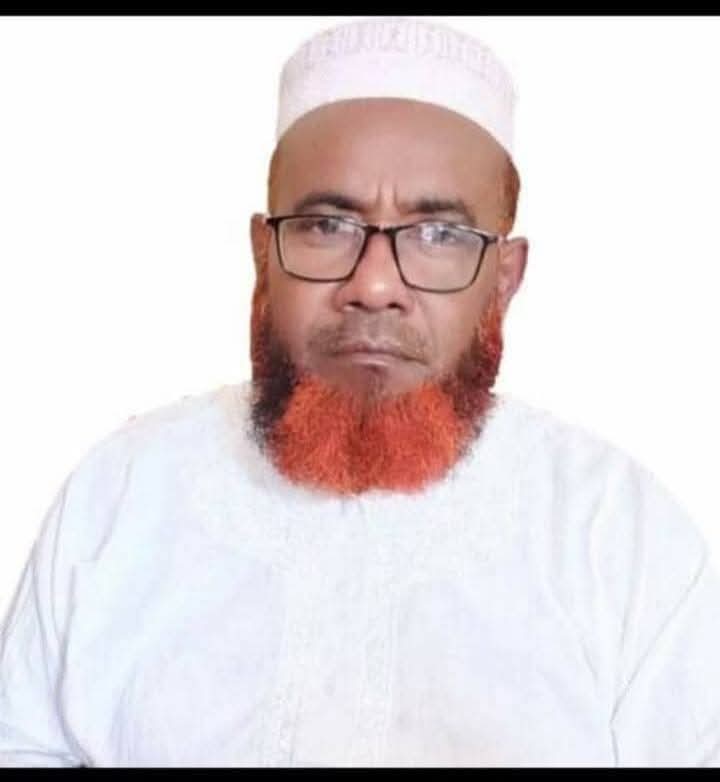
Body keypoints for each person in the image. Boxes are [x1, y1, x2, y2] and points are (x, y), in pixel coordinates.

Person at [1, 16, 719, 768]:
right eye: (326, 225)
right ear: (263, 255)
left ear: (504, 279)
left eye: (439, 235)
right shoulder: (120, 498)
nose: (374, 287)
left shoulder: (619, 538)